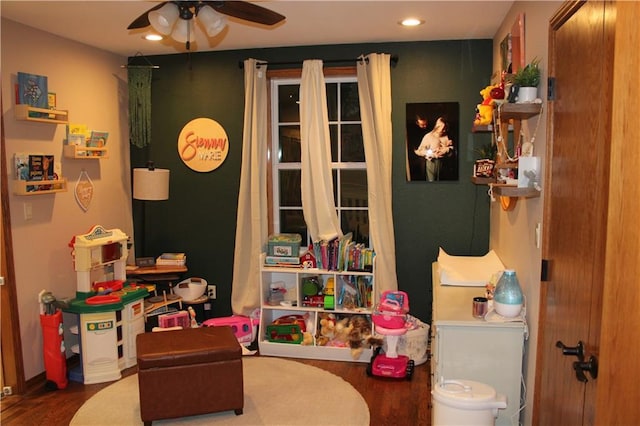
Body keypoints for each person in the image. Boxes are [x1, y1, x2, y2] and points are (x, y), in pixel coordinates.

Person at [414, 117, 453, 181]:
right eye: (443, 128)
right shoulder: (428, 136)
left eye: (446, 128)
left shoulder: (446, 136)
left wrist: (447, 150)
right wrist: (430, 154)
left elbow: (452, 150)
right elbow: (419, 151)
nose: (444, 130)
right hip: (432, 164)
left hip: (444, 165)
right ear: (437, 127)